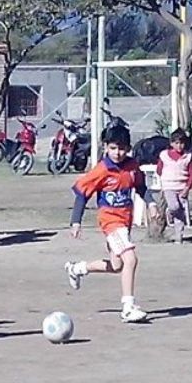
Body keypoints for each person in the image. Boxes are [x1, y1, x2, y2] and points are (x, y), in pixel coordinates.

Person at [63, 125, 158, 323]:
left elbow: (141, 186)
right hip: (110, 222)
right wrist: (75, 222)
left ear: (129, 148)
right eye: (113, 148)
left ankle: (77, 268)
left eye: (122, 148)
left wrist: (151, 203)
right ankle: (128, 307)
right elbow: (82, 193)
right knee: (131, 259)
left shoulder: (132, 166)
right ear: (106, 147)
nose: (118, 153)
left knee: (117, 265)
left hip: (125, 222)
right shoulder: (102, 169)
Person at [157, 129, 192, 244]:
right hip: (169, 185)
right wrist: (164, 178)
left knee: (180, 209)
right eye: (176, 143)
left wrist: (187, 188)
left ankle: (179, 236)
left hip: (182, 186)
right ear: (171, 143)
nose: (179, 146)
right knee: (174, 207)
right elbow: (159, 169)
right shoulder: (164, 155)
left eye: (182, 143)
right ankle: (170, 214)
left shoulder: (187, 157)